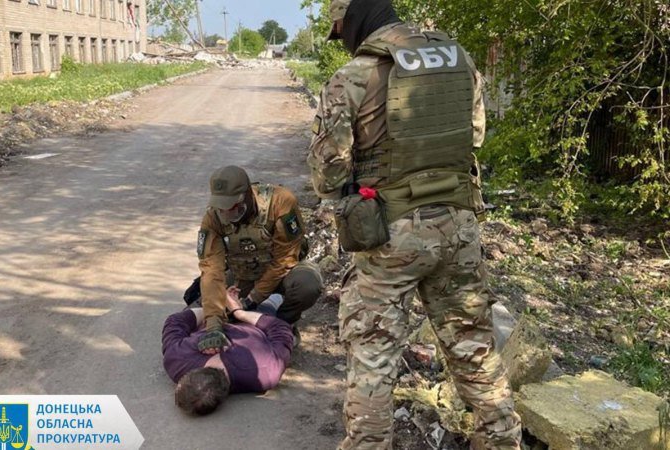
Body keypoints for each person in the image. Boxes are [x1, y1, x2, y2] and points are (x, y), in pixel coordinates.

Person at [306, 1, 522, 449]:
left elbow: (327, 176)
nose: (342, 40)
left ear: (354, 18)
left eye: (339, 30)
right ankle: (503, 440)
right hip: (459, 224)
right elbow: (475, 135)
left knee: (373, 356)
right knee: (474, 346)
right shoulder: (458, 58)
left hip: (391, 233)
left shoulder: (354, 77)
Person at [191, 165, 324, 355]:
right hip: (243, 275)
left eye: (232, 208)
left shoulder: (280, 201)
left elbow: (285, 259)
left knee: (307, 285)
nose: (226, 215)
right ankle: (240, 322)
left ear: (247, 195)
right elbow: (211, 269)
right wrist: (213, 324)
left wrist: (251, 300)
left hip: (283, 273)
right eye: (221, 209)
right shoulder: (213, 218)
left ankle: (283, 325)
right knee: (201, 311)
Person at [163, 287, 293, 415]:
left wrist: (216, 309)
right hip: (254, 319)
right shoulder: (264, 372)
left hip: (211, 315)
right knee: (275, 297)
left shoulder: (176, 361)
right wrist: (239, 313)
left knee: (206, 289)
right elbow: (281, 329)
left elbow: (175, 321)